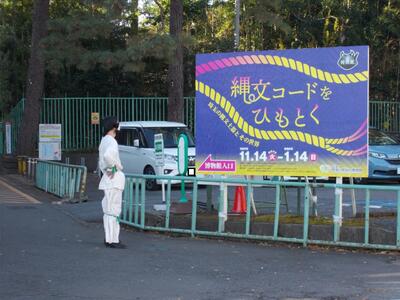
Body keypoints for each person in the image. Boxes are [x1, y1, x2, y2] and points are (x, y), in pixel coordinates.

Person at [98, 116, 126, 249]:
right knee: (114, 210)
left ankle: (109, 238)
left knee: (108, 210)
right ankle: (113, 239)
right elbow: (108, 157)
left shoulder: (104, 141)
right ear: (114, 128)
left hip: (107, 180)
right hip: (114, 181)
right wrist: (114, 168)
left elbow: (102, 159)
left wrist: (108, 170)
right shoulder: (112, 142)